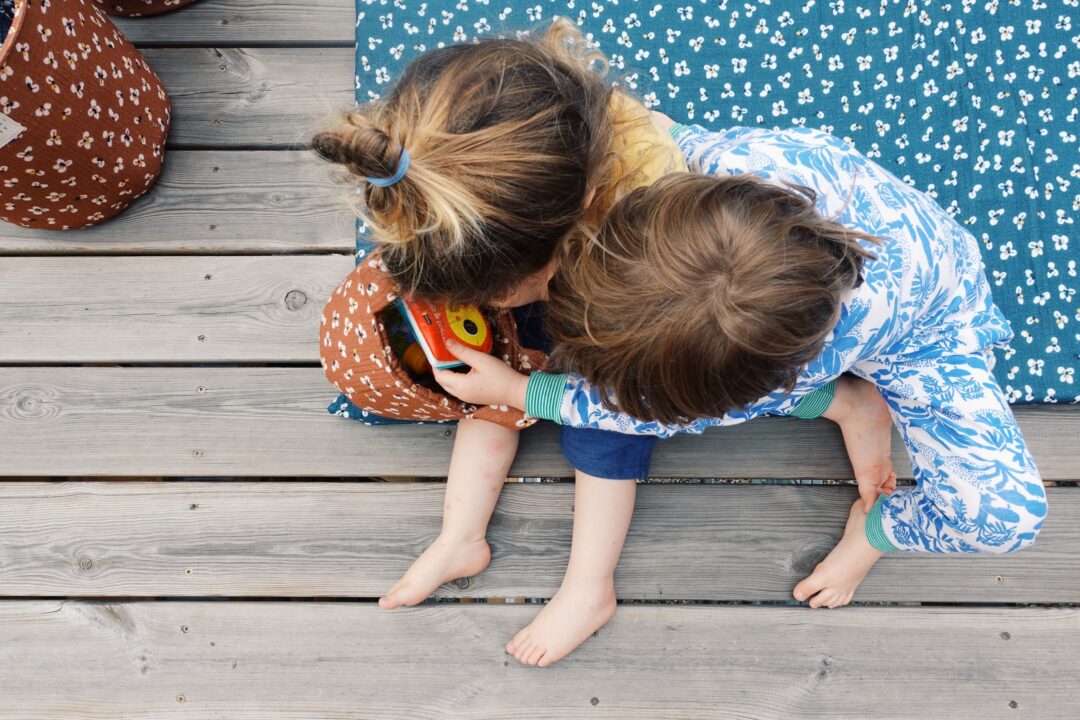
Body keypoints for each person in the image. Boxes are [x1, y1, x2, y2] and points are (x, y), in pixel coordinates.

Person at [314, 22, 890, 668]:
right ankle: (461, 536)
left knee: (597, 436)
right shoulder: (528, 134)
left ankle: (589, 588)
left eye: (496, 291)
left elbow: (630, 396)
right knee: (476, 365)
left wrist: (517, 388)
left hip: (651, 327)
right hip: (579, 266)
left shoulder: (652, 243)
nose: (483, 305)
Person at [438, 119, 1047, 621]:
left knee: (999, 520)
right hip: (838, 286)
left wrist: (519, 388)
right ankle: (854, 405)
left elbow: (634, 411)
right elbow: (627, 123)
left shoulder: (770, 366)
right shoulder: (731, 160)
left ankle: (880, 523)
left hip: (932, 330)